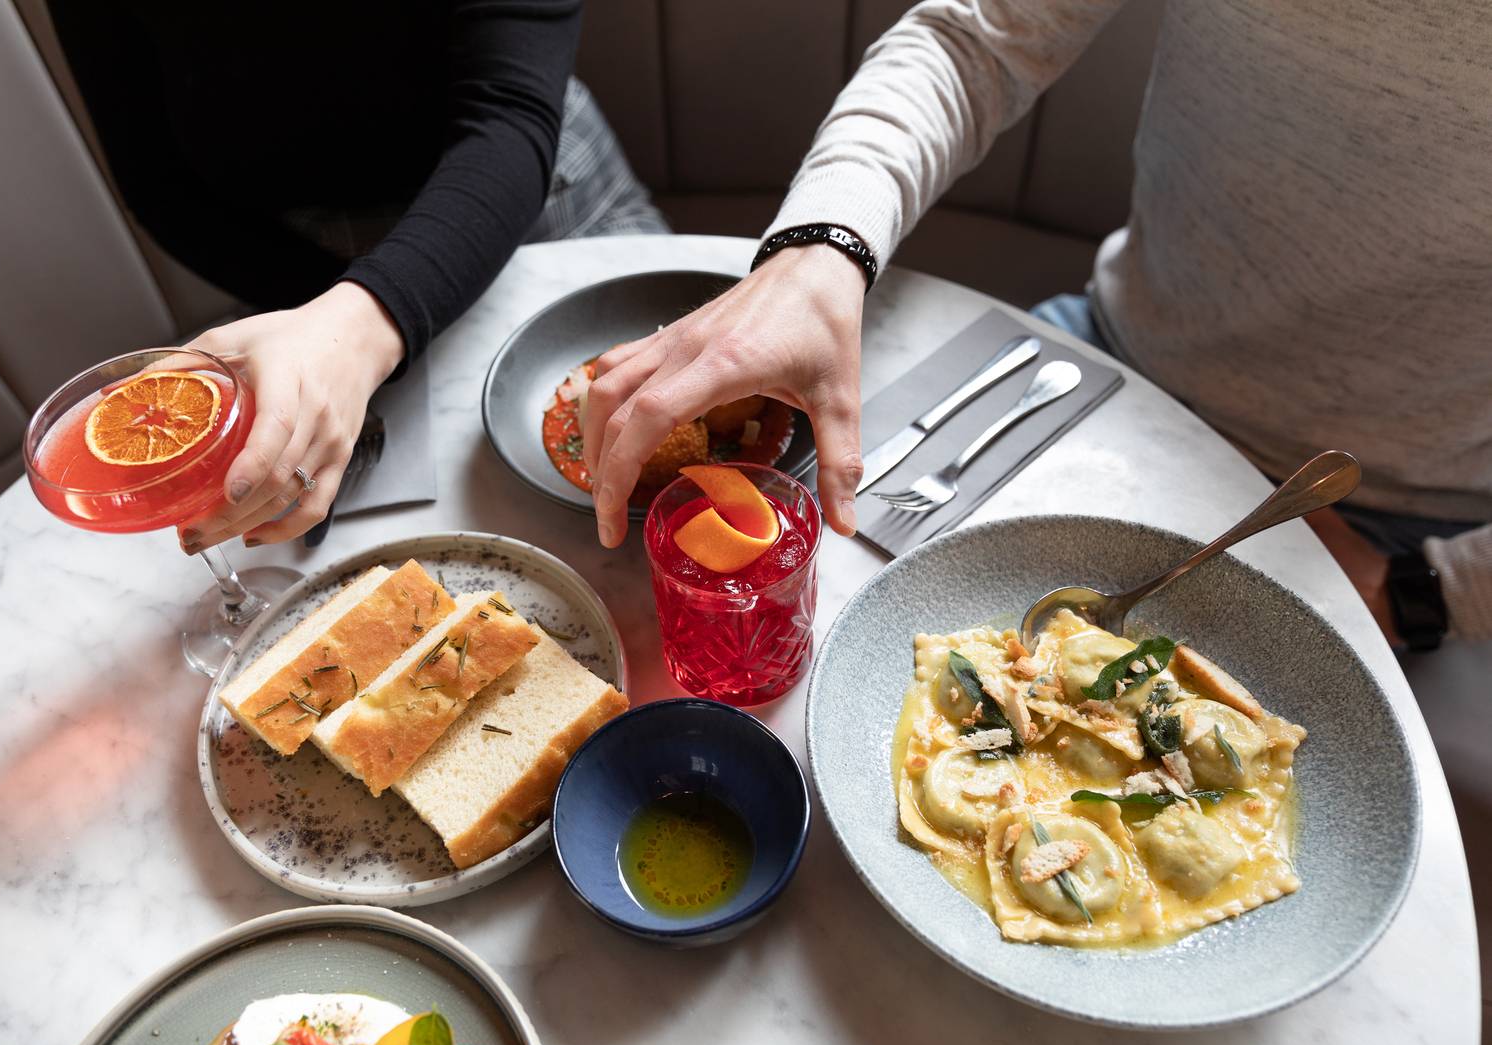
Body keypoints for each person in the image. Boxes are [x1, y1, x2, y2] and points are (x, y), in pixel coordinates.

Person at [579, 0, 1492, 649]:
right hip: (1106, 359)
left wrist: (1430, 590)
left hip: (1393, 522)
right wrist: (819, 251)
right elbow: (973, 35)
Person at [49, 0, 663, 550]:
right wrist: (324, 323)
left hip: (525, 192)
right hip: (296, 262)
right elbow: (159, 187)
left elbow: (508, 114)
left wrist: (361, 324)